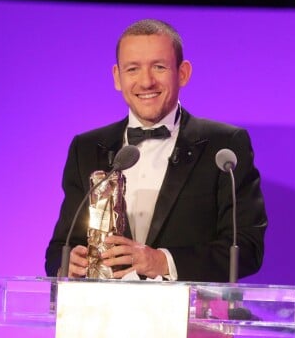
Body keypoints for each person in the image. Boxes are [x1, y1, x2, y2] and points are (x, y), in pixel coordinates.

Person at [45, 18, 267, 282]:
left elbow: (247, 248)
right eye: (133, 69)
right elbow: (60, 247)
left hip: (189, 318)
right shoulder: (87, 148)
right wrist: (67, 264)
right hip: (104, 316)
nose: (146, 82)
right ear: (117, 77)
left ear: (182, 73)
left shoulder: (224, 145)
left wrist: (162, 261)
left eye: (159, 67)